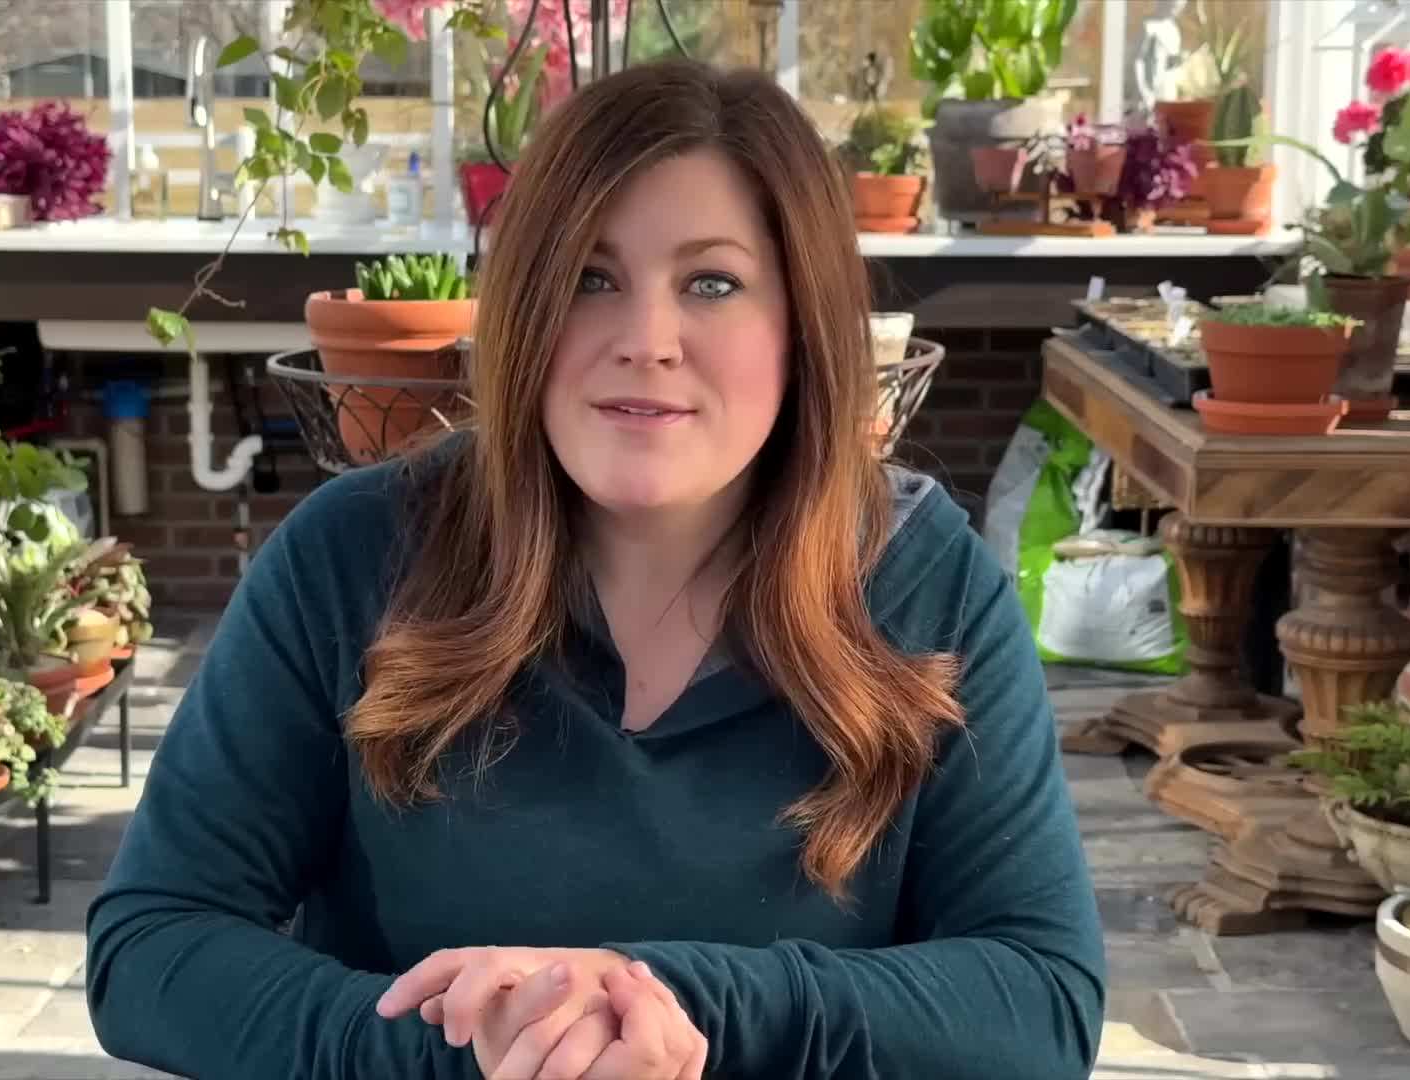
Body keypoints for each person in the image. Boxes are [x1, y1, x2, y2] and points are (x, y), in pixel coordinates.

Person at [85, 58, 1105, 1080]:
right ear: (524, 308)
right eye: (590, 278)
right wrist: (476, 1053)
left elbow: (1042, 1003)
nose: (646, 341)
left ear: (803, 328)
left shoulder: (926, 586)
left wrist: (677, 1006)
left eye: (712, 283)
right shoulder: (353, 555)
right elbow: (154, 946)